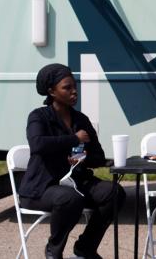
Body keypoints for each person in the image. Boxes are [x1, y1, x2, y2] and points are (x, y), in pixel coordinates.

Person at [19, 63, 125, 259]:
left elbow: (99, 157)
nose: (74, 91)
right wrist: (74, 139)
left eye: (74, 86)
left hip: (77, 182)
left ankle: (85, 247)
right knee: (69, 198)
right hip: (42, 187)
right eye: (67, 87)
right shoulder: (39, 117)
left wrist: (82, 159)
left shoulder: (81, 119)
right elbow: (37, 145)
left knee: (114, 192)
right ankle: (54, 250)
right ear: (52, 91)